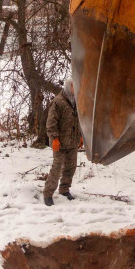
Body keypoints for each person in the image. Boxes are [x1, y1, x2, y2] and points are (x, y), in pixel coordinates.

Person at [43, 78, 83, 206]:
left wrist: (80, 136)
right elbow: (51, 123)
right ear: (68, 87)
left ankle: (64, 190)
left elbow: (80, 121)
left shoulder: (77, 101)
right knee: (57, 169)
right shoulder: (58, 102)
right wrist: (54, 138)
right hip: (59, 142)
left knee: (70, 167)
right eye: (73, 86)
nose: (75, 89)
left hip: (72, 141)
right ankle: (48, 194)